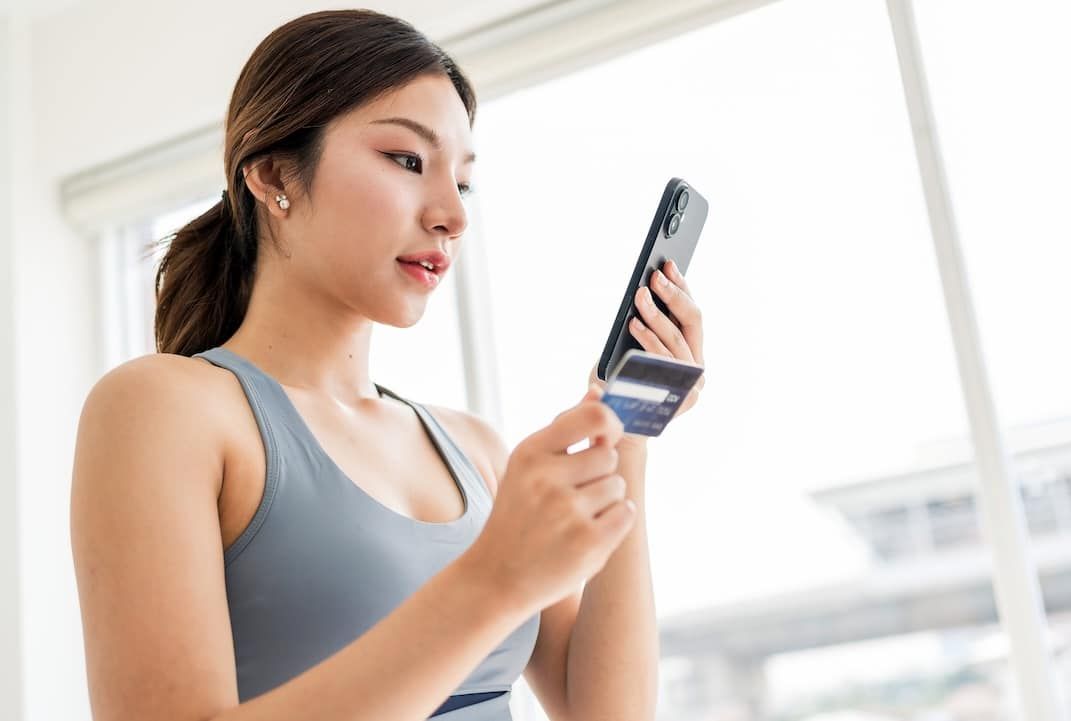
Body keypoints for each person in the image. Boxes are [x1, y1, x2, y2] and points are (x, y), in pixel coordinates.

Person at [68, 9, 706, 721]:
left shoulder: (476, 451)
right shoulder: (163, 408)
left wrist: (630, 424)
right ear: (275, 172)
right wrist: (493, 579)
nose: (451, 215)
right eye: (408, 161)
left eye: (462, 182)